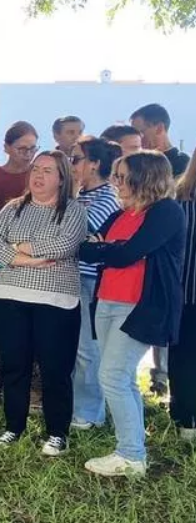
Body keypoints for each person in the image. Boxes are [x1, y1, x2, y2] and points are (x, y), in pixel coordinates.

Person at [78, 151, 184, 477]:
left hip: (140, 307)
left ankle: (131, 455)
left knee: (112, 375)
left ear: (144, 178)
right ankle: (133, 448)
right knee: (119, 377)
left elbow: (127, 254)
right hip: (107, 301)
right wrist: (107, 250)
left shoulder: (166, 211)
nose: (116, 182)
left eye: (122, 177)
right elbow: (86, 248)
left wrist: (105, 249)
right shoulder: (122, 213)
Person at [0, 151, 87, 455]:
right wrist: (30, 259)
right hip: (9, 298)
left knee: (55, 369)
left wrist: (16, 250)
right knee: (15, 367)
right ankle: (13, 427)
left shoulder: (73, 210)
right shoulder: (12, 207)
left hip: (56, 301)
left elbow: (65, 244)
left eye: (48, 171)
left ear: (61, 178)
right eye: (36, 169)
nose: (39, 176)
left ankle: (57, 433)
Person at [130, 103, 186, 395]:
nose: (139, 139)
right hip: (136, 258)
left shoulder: (184, 166)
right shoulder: (134, 166)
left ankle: (165, 380)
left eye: (142, 131)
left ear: (160, 128)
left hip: (169, 257)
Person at [0, 120, 39, 398]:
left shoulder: (39, 177)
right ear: (6, 147)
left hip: (34, 263)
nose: (27, 154)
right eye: (21, 148)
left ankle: (28, 388)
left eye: (32, 148)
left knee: (29, 328)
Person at [69, 137, 122, 430]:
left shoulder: (107, 197)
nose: (72, 165)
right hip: (71, 278)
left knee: (88, 349)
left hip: (90, 280)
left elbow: (76, 235)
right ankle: (78, 407)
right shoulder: (80, 196)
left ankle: (89, 413)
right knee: (75, 348)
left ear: (95, 164)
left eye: (76, 159)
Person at [173, 150, 196, 441]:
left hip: (182, 292)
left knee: (183, 357)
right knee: (184, 357)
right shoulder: (179, 199)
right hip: (183, 293)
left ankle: (185, 417)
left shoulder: (179, 198)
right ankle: (185, 417)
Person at [130, 103, 190, 176]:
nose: (136, 140)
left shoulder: (184, 164)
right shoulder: (136, 164)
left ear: (159, 128)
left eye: (140, 133)